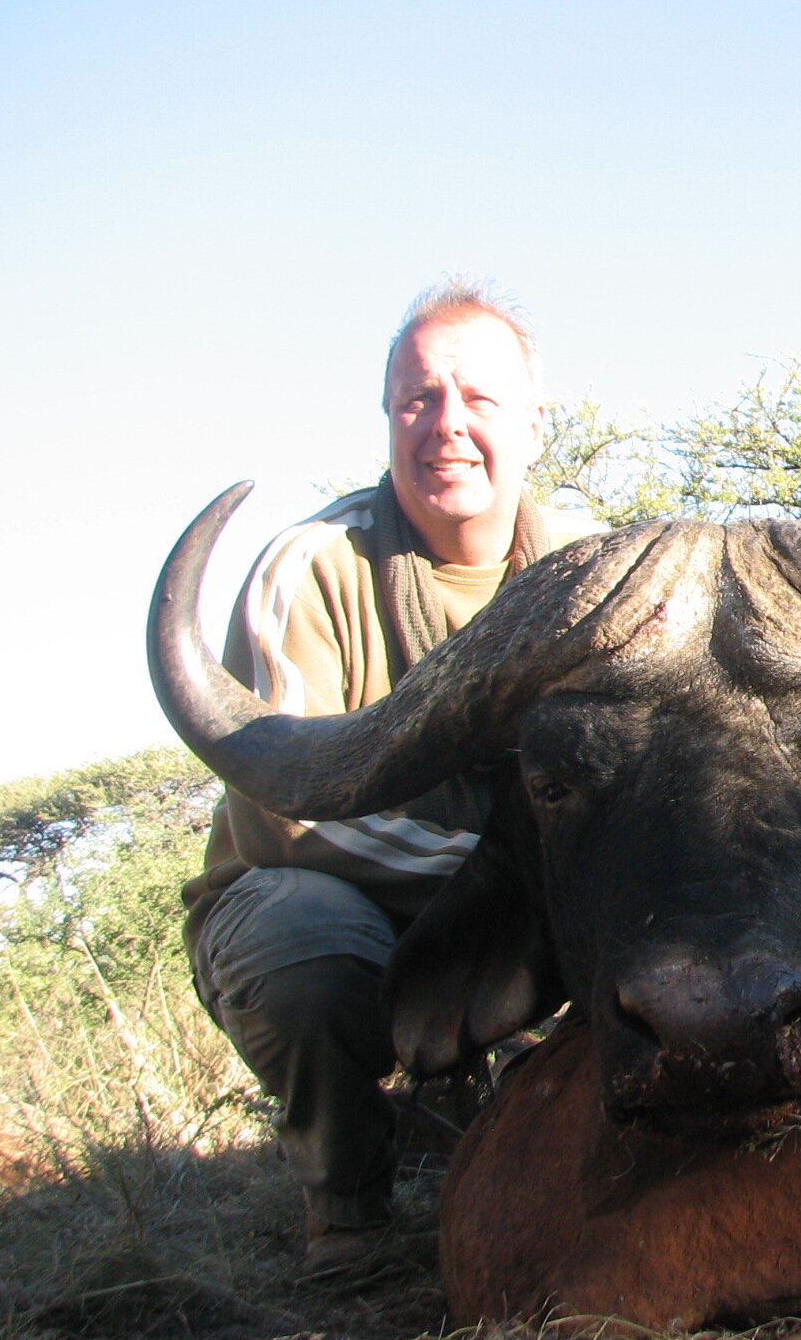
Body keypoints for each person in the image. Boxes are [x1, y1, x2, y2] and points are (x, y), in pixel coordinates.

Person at [181, 279, 591, 1275]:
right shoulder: (308, 565)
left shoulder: (596, 564)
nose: (446, 425)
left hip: (524, 907)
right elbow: (288, 810)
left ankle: (602, 1151)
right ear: (387, 418)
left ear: (536, 424)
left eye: (479, 399)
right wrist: (506, 882)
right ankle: (349, 1206)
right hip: (336, 898)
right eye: (417, 399)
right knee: (300, 942)